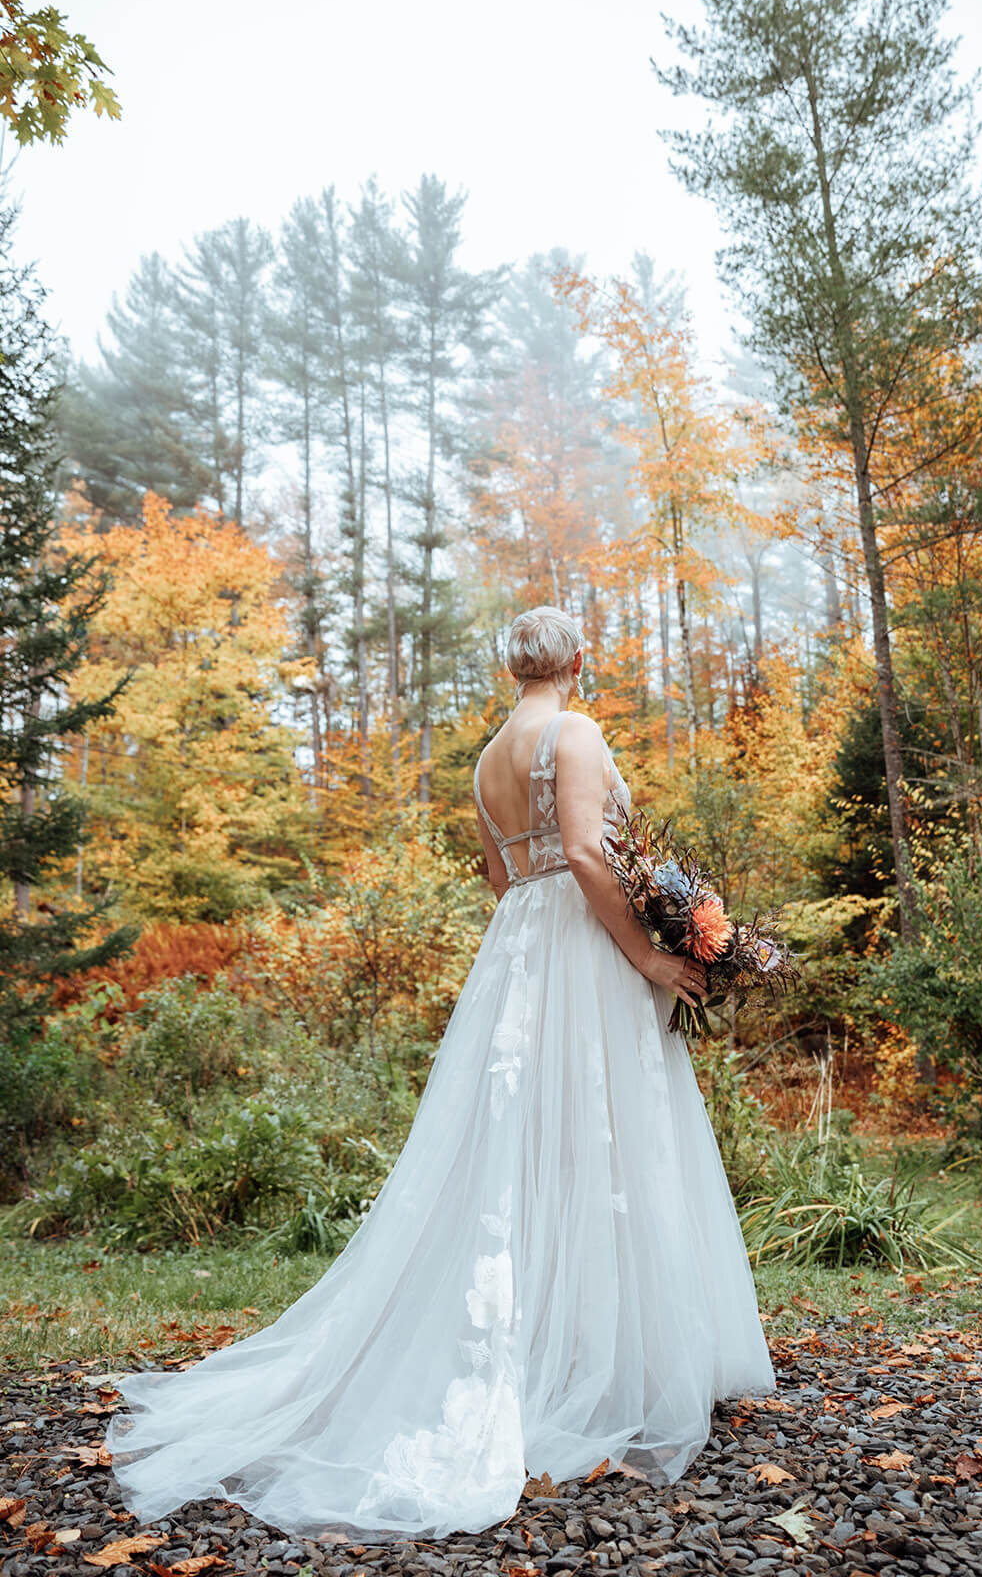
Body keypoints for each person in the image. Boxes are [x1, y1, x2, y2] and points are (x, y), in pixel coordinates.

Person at [107, 605, 775, 1541]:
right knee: (602, 1132)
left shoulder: (484, 760)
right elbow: (586, 853)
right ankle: (605, 1362)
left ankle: (579, 1340)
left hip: (519, 955)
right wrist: (654, 956)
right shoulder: (575, 731)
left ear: (513, 667)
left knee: (526, 1142)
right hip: (584, 952)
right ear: (577, 661)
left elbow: (507, 883)